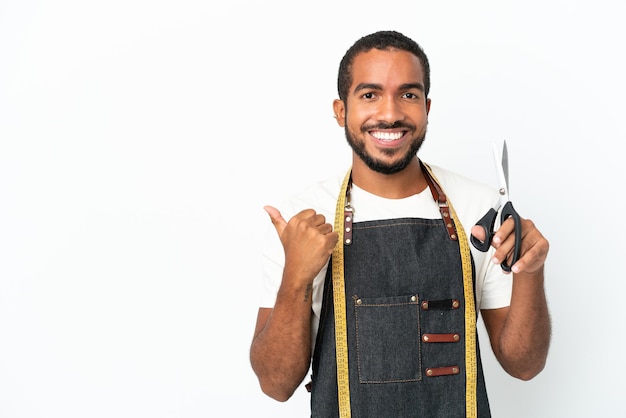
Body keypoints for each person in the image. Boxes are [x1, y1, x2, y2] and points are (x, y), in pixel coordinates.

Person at [250, 30, 551, 417]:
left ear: (426, 107)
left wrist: (531, 271)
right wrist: (296, 276)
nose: (390, 113)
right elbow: (276, 385)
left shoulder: (479, 209)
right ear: (341, 110)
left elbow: (523, 365)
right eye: (369, 95)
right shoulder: (303, 219)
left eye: (408, 95)